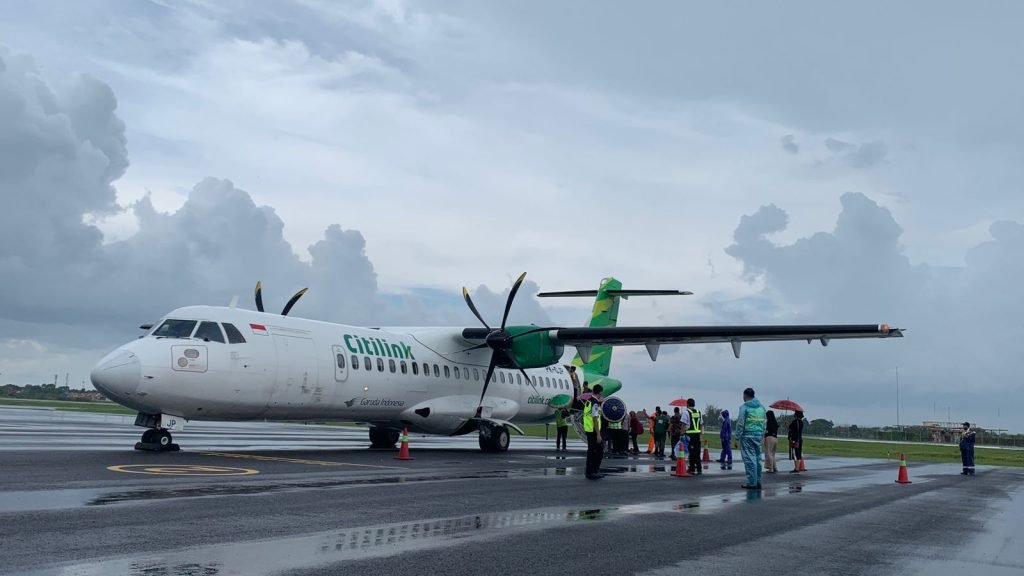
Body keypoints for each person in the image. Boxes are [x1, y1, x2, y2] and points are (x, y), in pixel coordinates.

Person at [735, 387, 767, 490]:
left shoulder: (744, 407)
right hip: (758, 436)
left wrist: (737, 437)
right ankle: (758, 481)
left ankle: (751, 482)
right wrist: (762, 434)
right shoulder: (761, 408)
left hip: (747, 436)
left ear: (745, 395)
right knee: (757, 459)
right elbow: (764, 422)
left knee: (749, 459)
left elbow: (740, 423)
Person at [582, 384, 605, 479]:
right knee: (598, 451)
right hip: (593, 430)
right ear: (599, 392)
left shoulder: (588, 401)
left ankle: (590, 471)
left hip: (589, 429)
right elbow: (595, 418)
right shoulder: (595, 403)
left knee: (592, 451)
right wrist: (598, 434)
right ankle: (593, 471)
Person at [685, 399, 703, 475]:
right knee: (697, 452)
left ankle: (692, 468)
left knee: (691, 452)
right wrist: (701, 434)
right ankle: (699, 468)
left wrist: (682, 434)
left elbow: (683, 424)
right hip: (697, 435)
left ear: (687, 404)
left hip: (690, 435)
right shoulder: (698, 412)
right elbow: (701, 424)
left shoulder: (686, 412)